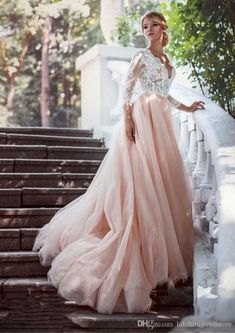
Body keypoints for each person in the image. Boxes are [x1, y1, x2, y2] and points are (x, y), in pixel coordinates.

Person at [32, 11, 205, 314]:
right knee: (139, 180)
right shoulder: (140, 56)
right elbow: (127, 88)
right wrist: (127, 120)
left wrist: (187, 106)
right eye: (144, 27)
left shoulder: (168, 63)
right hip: (141, 119)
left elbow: (164, 95)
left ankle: (160, 249)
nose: (148, 30)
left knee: (162, 180)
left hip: (160, 121)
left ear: (163, 29)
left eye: (153, 26)